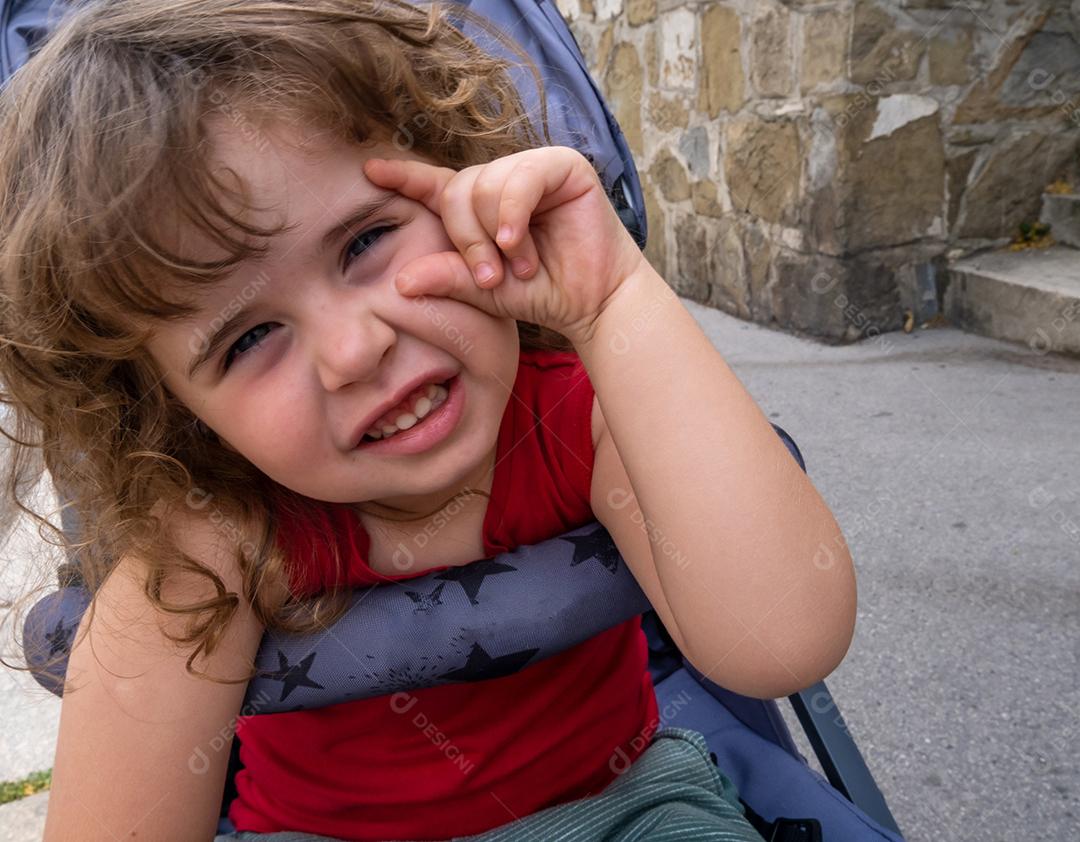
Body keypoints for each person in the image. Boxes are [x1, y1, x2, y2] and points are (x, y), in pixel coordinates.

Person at [0, 1, 857, 840]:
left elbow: (783, 642)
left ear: (463, 183)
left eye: (364, 242)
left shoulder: (580, 419)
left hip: (626, 807)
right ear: (175, 413)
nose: (354, 350)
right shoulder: (217, 538)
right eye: (251, 337)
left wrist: (615, 298)